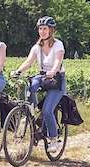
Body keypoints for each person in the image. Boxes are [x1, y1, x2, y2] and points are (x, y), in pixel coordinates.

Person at [12, 16, 66, 154]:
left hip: (56, 80)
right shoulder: (37, 47)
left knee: (48, 111)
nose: (42, 31)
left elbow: (58, 60)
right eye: (40, 29)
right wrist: (18, 71)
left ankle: (53, 139)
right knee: (30, 86)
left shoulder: (58, 44)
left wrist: (53, 71)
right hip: (42, 76)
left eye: (45, 29)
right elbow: (28, 62)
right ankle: (31, 111)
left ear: (51, 30)